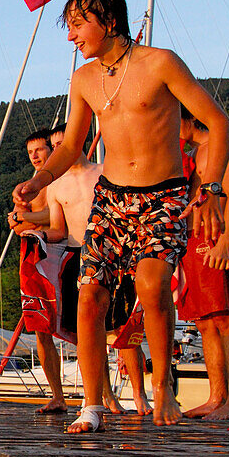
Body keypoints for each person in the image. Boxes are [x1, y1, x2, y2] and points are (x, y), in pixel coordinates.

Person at [14, 0, 229, 433]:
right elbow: (72, 143)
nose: (71, 36)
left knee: (152, 288)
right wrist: (39, 179)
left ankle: (163, 387)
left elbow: (217, 121)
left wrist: (211, 187)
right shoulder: (84, 80)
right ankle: (91, 404)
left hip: (163, 194)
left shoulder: (161, 63)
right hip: (111, 197)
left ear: (108, 20)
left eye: (77, 25)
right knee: (90, 294)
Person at [45, 126, 153, 416]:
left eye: (61, 143)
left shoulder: (105, 172)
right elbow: (58, 229)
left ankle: (140, 395)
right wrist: (35, 234)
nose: (57, 149)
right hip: (78, 253)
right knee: (87, 333)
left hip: (114, 253)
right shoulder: (55, 186)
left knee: (124, 329)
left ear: (78, 141)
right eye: (53, 146)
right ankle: (103, 396)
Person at [178, 106, 229, 419]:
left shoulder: (222, 146)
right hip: (192, 240)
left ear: (191, 117)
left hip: (216, 237)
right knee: (204, 322)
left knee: (225, 319)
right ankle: (216, 397)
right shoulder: (192, 154)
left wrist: (224, 243)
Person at [10, 128, 67, 413]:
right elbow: (17, 225)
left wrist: (26, 217)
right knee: (39, 328)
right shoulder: (27, 187)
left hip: (63, 252)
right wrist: (23, 219)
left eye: (39, 150)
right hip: (33, 256)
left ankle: (104, 394)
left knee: (79, 325)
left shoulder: (63, 179)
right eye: (30, 152)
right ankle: (57, 395)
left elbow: (60, 216)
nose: (34, 156)